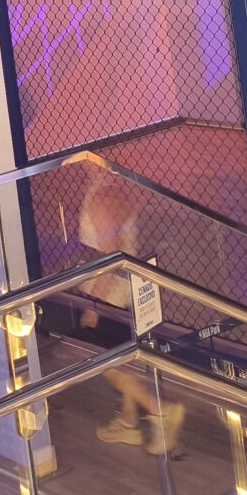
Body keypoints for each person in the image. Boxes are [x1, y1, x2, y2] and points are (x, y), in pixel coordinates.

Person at [74, 175, 183, 454]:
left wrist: (93, 304)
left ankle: (161, 410)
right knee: (123, 360)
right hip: (124, 290)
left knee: (103, 362)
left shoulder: (104, 196)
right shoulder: (116, 189)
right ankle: (129, 422)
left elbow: (110, 252)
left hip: (108, 294)